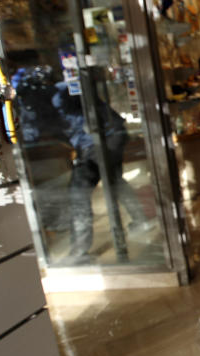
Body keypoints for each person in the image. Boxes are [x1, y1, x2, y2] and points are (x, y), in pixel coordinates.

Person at [52, 82, 152, 261]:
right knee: (115, 181)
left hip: (98, 141)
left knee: (79, 195)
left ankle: (79, 252)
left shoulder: (58, 91)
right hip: (107, 136)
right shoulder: (65, 87)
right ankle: (140, 219)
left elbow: (66, 117)